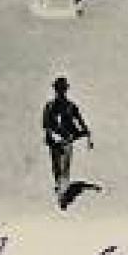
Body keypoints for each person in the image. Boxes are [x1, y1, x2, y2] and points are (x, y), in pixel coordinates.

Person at [42, 76, 91, 206]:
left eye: (62, 89)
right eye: (59, 89)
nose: (61, 91)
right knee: (58, 167)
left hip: (67, 140)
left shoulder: (71, 106)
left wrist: (85, 132)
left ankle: (62, 194)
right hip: (55, 140)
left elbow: (80, 121)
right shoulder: (50, 106)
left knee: (64, 167)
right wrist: (51, 136)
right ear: (56, 90)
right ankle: (61, 193)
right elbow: (46, 124)